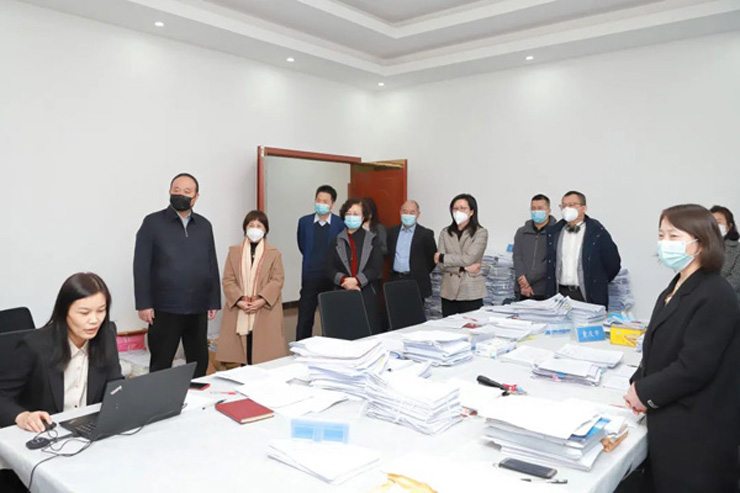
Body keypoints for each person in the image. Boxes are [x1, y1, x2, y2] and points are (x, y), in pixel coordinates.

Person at [625, 204, 740, 492]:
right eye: (661, 235)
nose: (665, 243)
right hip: (670, 420)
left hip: (698, 433)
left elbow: (694, 367)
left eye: (674, 236)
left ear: (701, 243)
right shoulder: (676, 286)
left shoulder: (715, 293)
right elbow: (658, 348)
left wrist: (645, 393)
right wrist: (637, 383)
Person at [0, 273, 122, 431]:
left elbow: (116, 388)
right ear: (64, 312)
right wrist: (22, 416)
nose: (94, 320)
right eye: (84, 313)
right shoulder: (34, 346)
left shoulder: (106, 336)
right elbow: (2, 397)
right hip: (46, 432)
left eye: (101, 311)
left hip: (89, 428)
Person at [133, 173, 220, 378]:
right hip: (165, 308)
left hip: (197, 307)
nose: (181, 194)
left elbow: (211, 263)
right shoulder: (152, 223)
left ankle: (196, 395)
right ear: (170, 192)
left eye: (187, 191)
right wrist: (144, 304)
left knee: (199, 363)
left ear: (196, 197)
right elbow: (141, 265)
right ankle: (160, 398)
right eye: (176, 190)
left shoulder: (204, 225)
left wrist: (213, 301)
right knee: (161, 365)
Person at [216, 211, 287, 366]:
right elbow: (228, 279)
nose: (255, 229)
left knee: (263, 355)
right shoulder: (234, 251)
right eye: (251, 225)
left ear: (265, 229)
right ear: (245, 228)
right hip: (240, 307)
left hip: (265, 308)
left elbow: (277, 280)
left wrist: (261, 300)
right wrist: (239, 300)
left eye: (259, 226)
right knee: (241, 353)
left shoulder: (274, 253)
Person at [545, 191, 621, 307]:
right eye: (563, 206)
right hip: (560, 294)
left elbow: (613, 263)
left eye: (571, 205)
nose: (566, 209)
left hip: (587, 294)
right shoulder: (554, 232)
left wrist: (597, 282)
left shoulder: (597, 232)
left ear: (583, 208)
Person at [296, 185, 345, 341]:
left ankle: (330, 347)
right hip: (310, 276)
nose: (321, 204)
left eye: (325, 201)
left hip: (331, 278)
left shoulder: (340, 224)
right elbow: (302, 245)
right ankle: (301, 347)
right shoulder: (304, 222)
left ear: (332, 204)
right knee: (305, 318)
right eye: (318, 200)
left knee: (331, 318)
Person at [327, 198, 384, 333]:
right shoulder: (337, 240)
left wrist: (357, 280)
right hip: (342, 291)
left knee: (367, 331)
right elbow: (329, 268)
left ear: (363, 217)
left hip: (366, 292)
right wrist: (345, 281)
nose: (351, 217)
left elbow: (376, 267)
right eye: (349, 213)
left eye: (356, 214)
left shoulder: (372, 239)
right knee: (344, 331)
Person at [434, 194, 488, 316]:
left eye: (463, 208)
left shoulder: (480, 233)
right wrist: (463, 268)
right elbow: (441, 265)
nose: (458, 212)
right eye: (455, 208)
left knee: (471, 326)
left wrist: (443, 257)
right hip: (449, 291)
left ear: (472, 212)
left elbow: (469, 258)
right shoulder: (445, 232)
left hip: (470, 290)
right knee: (448, 326)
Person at [387, 200, 437, 301]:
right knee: (395, 309)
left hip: (416, 281)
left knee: (415, 310)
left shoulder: (426, 234)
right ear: (400, 213)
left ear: (418, 214)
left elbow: (431, 259)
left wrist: (419, 271)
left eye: (412, 212)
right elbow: (389, 253)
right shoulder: (392, 232)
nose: (408, 215)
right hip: (395, 279)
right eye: (405, 212)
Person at [513, 194, 556, 300]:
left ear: (549, 210)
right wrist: (523, 281)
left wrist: (528, 281)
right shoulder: (522, 232)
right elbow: (517, 257)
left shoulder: (556, 232)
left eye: (540, 208)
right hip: (522, 289)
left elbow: (551, 261)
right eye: (533, 208)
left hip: (544, 289)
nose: (536, 211)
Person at [710, 205, 740, 300]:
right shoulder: (699, 248)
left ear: (729, 226)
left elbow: (735, 280)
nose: (714, 226)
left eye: (718, 222)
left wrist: (708, 291)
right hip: (700, 300)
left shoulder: (737, 249)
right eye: (711, 223)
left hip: (728, 300)